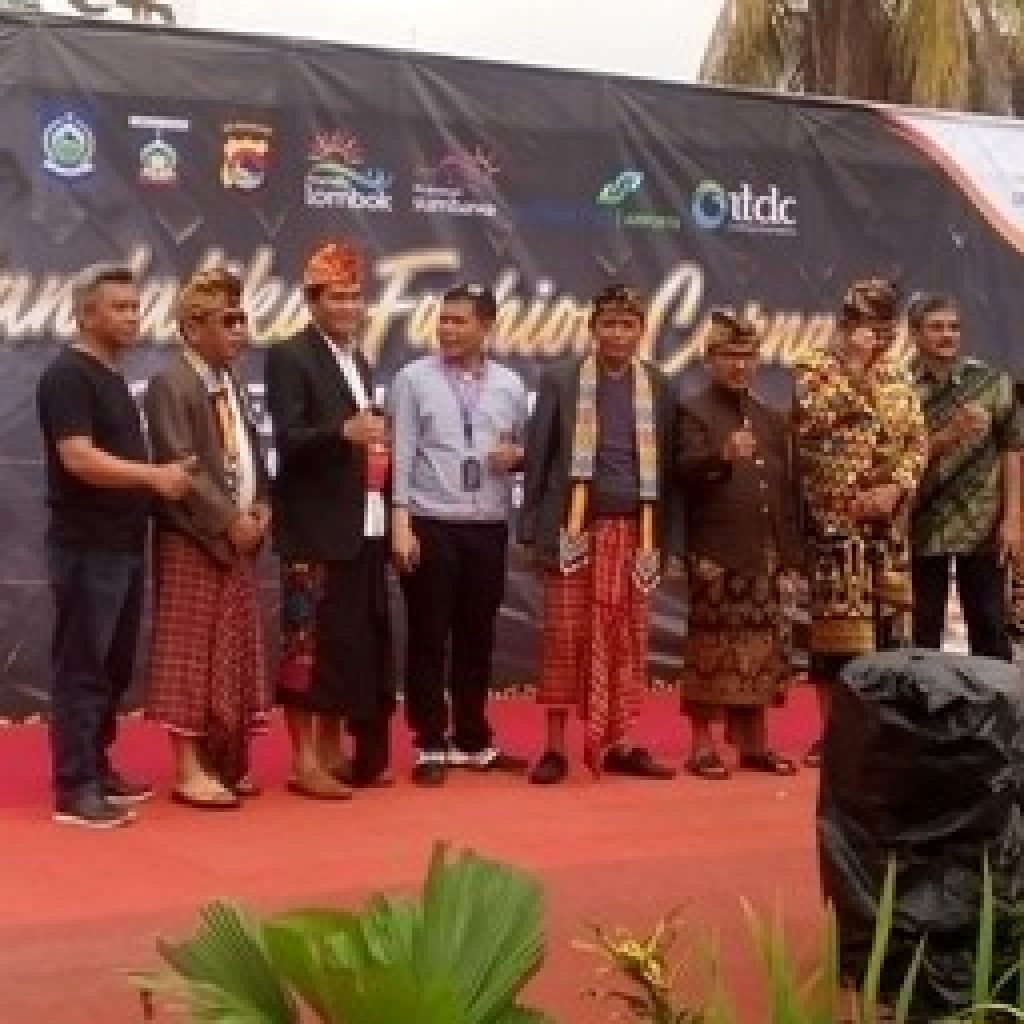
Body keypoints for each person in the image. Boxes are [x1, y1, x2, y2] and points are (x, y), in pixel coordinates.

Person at [36, 263, 195, 828]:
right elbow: (78, 458)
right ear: (86, 314)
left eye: (135, 306)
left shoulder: (111, 376)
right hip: (87, 547)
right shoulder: (68, 376)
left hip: (124, 544)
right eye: (119, 308)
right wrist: (153, 477)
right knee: (82, 666)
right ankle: (75, 787)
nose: (132, 317)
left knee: (112, 666)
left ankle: (97, 767)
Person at [521, 284, 682, 784]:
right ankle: (554, 748)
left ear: (641, 331)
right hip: (574, 528)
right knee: (564, 637)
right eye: (608, 324)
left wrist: (670, 542)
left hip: (638, 531)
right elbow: (539, 456)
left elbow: (670, 471)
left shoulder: (659, 385)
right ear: (592, 329)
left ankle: (621, 743)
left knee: (627, 638)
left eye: (627, 324)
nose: (617, 334)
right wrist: (531, 529)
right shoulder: (561, 379)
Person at [265, 240, 395, 798]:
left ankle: (330, 749)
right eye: (336, 297)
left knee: (345, 646)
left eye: (355, 297)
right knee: (306, 647)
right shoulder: (289, 355)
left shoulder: (358, 359)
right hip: (313, 528)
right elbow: (289, 439)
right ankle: (302, 762)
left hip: (361, 523)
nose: (348, 307)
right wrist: (343, 432)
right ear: (312, 301)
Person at [390, 284, 529, 786]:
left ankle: (472, 738)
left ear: (486, 326)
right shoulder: (412, 379)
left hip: (488, 523)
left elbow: (522, 447)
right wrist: (401, 522)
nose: (447, 330)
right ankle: (429, 740)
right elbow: (401, 451)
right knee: (429, 635)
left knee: (478, 634)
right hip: (431, 520)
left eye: (459, 321)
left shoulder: (511, 384)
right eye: (443, 320)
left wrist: (518, 458)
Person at [144, 268, 272, 809]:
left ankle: (224, 761)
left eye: (242, 320)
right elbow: (181, 466)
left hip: (238, 538)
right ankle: (188, 768)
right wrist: (228, 521)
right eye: (229, 321)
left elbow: (249, 456)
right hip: (193, 538)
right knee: (190, 656)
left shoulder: (230, 381)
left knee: (230, 652)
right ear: (193, 329)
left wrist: (262, 507)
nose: (240, 331)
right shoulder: (171, 383)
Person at [794, 277, 927, 764]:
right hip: (837, 524)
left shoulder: (899, 376)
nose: (880, 335)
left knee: (888, 635)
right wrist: (852, 367)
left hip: (888, 527)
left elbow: (918, 443)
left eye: (887, 327)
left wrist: (896, 488)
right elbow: (811, 421)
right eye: (871, 325)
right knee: (836, 639)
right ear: (846, 324)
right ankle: (833, 735)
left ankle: (880, 735)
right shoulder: (815, 367)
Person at [677, 312, 803, 780]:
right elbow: (682, 473)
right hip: (715, 550)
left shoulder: (770, 417)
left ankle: (754, 744)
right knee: (710, 652)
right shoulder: (693, 410)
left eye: (747, 355)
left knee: (763, 650)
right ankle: (702, 746)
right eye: (729, 355)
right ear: (709, 360)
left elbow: (784, 490)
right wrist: (722, 456)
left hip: (765, 551)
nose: (739, 364)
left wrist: (790, 555)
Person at [908, 294, 1023, 661]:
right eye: (936, 327)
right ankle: (922, 700)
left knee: (990, 629)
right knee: (921, 635)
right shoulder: (899, 389)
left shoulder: (991, 382)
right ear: (914, 334)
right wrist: (948, 436)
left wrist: (1013, 518)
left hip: (982, 527)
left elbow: (1013, 448)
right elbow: (895, 458)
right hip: (920, 525)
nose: (947, 335)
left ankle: (995, 701)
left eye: (954, 327)